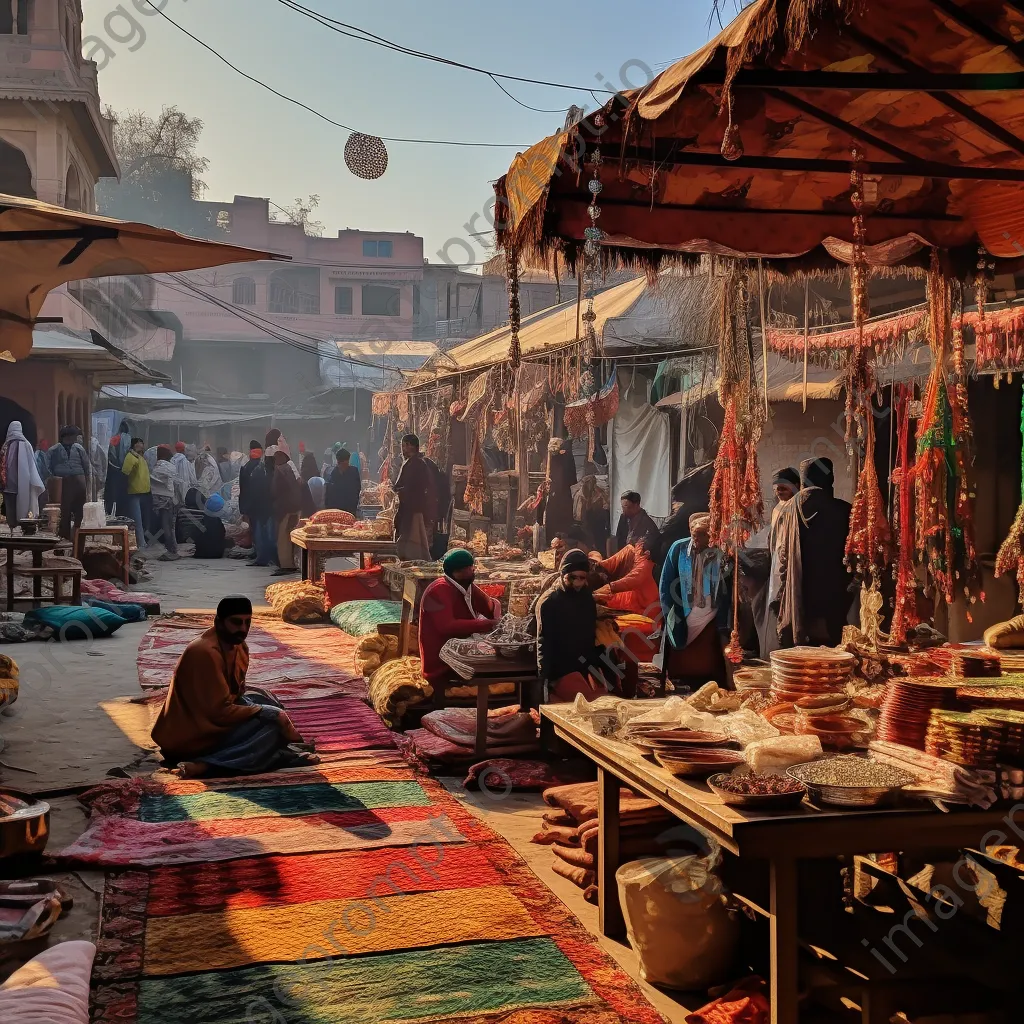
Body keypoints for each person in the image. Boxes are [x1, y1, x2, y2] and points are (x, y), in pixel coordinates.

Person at [151, 595, 317, 777]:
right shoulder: (204, 652)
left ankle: (274, 754)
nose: (243, 629)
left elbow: (236, 694)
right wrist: (269, 714)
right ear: (219, 622)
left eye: (247, 622)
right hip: (190, 738)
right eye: (236, 622)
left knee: (268, 702)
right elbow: (219, 712)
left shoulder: (239, 646)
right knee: (269, 727)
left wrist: (266, 709)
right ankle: (207, 766)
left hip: (215, 721)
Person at [659, 514, 730, 689]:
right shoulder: (678, 548)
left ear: (711, 535)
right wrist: (668, 610)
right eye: (694, 535)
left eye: (702, 535)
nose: (697, 539)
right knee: (678, 642)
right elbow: (666, 582)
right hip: (683, 607)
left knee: (708, 652)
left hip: (709, 610)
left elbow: (727, 582)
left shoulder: (720, 550)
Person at [417, 549, 502, 686]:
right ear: (459, 572)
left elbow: (489, 607)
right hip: (442, 664)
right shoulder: (438, 590)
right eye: (470, 567)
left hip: (460, 651)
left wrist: (495, 613)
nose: (474, 570)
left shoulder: (465, 585)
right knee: (500, 667)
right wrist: (486, 625)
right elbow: (447, 626)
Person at [536, 549, 609, 703]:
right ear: (563, 575)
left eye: (582, 578)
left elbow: (589, 635)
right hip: (561, 669)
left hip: (584, 666)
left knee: (605, 700)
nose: (577, 583)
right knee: (587, 703)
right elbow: (544, 641)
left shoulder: (586, 597)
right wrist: (543, 678)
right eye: (573, 577)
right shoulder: (549, 602)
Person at [796, 456, 852, 647]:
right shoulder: (845, 511)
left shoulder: (788, 513)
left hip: (800, 593)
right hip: (837, 593)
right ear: (831, 479)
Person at [393, 433, 435, 561]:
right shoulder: (411, 463)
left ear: (411, 446)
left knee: (414, 542)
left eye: (405, 446)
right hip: (410, 508)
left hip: (413, 508)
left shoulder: (417, 464)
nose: (403, 449)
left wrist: (400, 490)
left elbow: (416, 486)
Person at [593, 537, 660, 616]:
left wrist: (594, 594)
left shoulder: (644, 567)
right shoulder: (642, 558)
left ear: (647, 553)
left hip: (644, 610)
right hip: (638, 600)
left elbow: (619, 585)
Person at [49, 424, 91, 540]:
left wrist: (87, 484)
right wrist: (53, 479)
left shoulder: (78, 448)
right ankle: (65, 537)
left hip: (79, 481)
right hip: (64, 483)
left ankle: (78, 537)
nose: (75, 438)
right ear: (66, 436)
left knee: (79, 511)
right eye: (73, 436)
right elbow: (47, 466)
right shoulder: (54, 449)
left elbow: (87, 467)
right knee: (65, 511)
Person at [1, 421, 45, 528]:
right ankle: (20, 530)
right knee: (22, 508)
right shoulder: (26, 445)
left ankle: (13, 530)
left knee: (11, 511)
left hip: (8, 486)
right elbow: (32, 465)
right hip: (22, 485)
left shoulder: (5, 446)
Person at [238, 441, 274, 567]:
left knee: (257, 532)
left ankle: (261, 558)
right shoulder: (267, 467)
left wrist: (243, 508)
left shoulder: (246, 466)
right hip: (267, 506)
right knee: (266, 532)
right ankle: (265, 556)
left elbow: (243, 489)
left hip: (253, 506)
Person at [270, 445, 302, 575]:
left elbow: (277, 491)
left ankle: (287, 565)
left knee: (284, 539)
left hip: (286, 509)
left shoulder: (282, 470)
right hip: (290, 508)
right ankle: (288, 564)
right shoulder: (288, 469)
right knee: (286, 538)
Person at [150, 446, 180, 561]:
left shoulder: (157, 468)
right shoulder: (171, 467)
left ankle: (171, 551)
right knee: (170, 526)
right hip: (171, 500)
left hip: (162, 501)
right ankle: (172, 549)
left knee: (166, 525)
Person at [543, 437, 576, 540]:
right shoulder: (564, 457)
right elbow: (572, 479)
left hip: (557, 493)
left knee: (555, 519)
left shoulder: (558, 458)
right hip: (562, 493)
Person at [121, 437, 150, 548]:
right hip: (133, 492)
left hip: (144, 492)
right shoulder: (131, 457)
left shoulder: (140, 457)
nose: (141, 445)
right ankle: (141, 543)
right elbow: (125, 474)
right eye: (138, 443)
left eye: (141, 443)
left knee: (141, 519)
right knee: (137, 520)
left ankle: (142, 541)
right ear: (133, 445)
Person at [104, 420, 132, 515]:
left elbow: (111, 455)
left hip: (114, 470)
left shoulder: (114, 439)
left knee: (113, 493)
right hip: (126, 471)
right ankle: (123, 513)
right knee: (124, 494)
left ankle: (112, 513)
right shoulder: (129, 439)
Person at [325, 448, 361, 514]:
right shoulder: (332, 474)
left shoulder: (354, 472)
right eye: (344, 464)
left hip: (351, 509)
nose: (346, 466)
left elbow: (358, 489)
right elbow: (328, 494)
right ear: (339, 463)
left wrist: (354, 505)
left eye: (347, 463)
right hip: (336, 510)